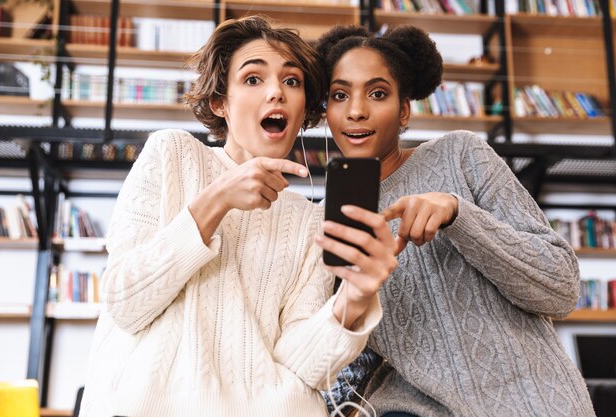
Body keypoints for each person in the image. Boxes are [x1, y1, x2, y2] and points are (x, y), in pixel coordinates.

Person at [78, 16, 398, 417]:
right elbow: (124, 302)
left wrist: (356, 297)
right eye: (253, 79)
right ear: (220, 103)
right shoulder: (171, 154)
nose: (276, 93)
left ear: (303, 112)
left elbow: (304, 367)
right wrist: (217, 200)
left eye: (292, 82)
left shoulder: (310, 220)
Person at [316, 24, 596, 417]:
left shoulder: (461, 155)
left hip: (533, 403)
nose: (356, 110)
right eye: (339, 95)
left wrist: (458, 214)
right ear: (325, 110)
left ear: (404, 110)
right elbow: (348, 346)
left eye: (377, 93)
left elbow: (562, 290)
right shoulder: (324, 220)